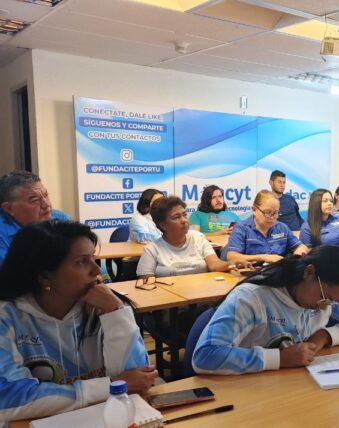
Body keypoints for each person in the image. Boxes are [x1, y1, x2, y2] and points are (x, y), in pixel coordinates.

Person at [0, 220, 156, 421]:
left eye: (93, 258)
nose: (97, 271)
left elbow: (138, 381)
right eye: (81, 262)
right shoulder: (7, 316)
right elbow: (8, 399)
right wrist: (108, 386)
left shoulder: (104, 306)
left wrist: (116, 313)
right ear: (45, 276)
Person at [192, 245, 339, 374]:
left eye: (334, 302)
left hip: (289, 385)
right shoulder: (253, 298)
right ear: (309, 272)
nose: (325, 306)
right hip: (247, 393)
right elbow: (205, 356)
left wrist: (326, 335)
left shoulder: (329, 294)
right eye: (326, 298)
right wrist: (279, 358)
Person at [136, 196, 250, 278]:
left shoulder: (198, 238)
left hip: (201, 297)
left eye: (185, 215)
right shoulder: (152, 249)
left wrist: (231, 263)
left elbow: (214, 264)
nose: (184, 220)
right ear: (163, 225)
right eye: (176, 217)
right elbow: (146, 285)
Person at [0, 170, 70, 266]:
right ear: (9, 208)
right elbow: (10, 276)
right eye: (35, 200)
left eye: (46, 195)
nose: (46, 205)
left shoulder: (59, 218)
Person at [224, 190, 308, 263]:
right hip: (251, 273)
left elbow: (300, 246)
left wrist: (300, 252)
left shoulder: (282, 228)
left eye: (275, 213)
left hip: (277, 273)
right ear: (254, 210)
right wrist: (263, 257)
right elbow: (231, 256)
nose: (272, 217)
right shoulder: (242, 228)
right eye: (267, 212)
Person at [299, 189, 339, 256]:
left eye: (331, 201)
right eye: (325, 201)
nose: (329, 203)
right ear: (316, 203)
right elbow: (306, 256)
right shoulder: (307, 227)